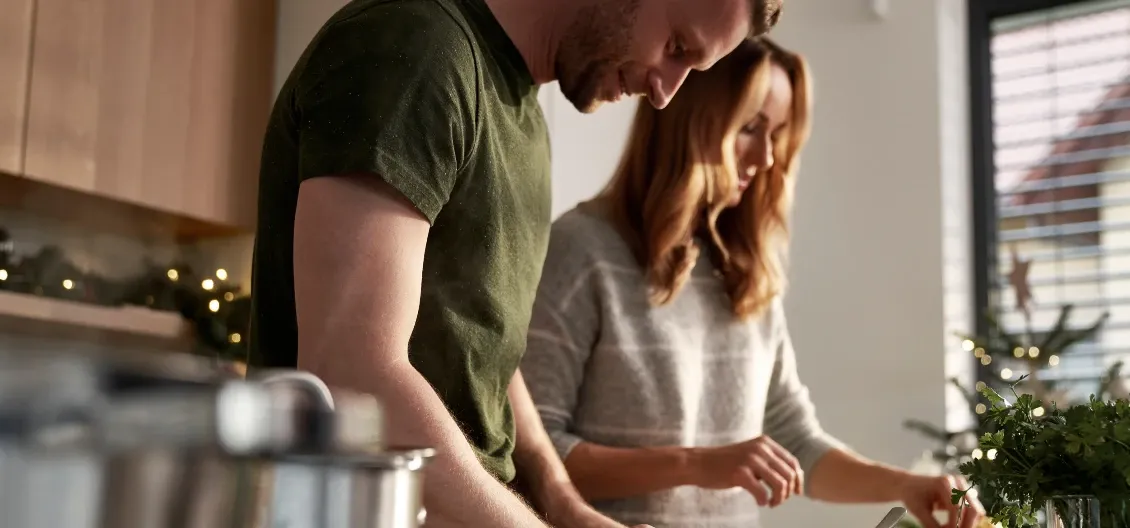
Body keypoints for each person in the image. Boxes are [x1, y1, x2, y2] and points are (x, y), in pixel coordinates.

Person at [247, 0, 786, 524]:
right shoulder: (414, 50)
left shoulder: (523, 116)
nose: (666, 93)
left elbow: (487, 355)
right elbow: (352, 370)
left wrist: (566, 508)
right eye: (676, 47)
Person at [520, 38, 987, 528]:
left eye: (776, 134)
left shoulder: (744, 270)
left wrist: (905, 485)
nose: (766, 156)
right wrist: (694, 464)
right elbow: (533, 454)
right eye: (749, 128)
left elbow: (794, 440)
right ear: (689, 123)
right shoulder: (579, 252)